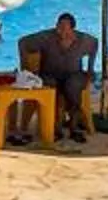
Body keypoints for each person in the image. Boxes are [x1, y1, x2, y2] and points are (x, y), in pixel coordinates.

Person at [24, 12, 97, 142]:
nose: (62, 30)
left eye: (65, 27)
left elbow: (94, 44)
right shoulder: (47, 37)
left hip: (74, 74)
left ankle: (74, 127)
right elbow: (23, 42)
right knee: (51, 89)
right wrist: (27, 67)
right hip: (50, 74)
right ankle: (55, 128)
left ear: (73, 28)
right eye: (59, 26)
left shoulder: (83, 40)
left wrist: (90, 69)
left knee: (73, 86)